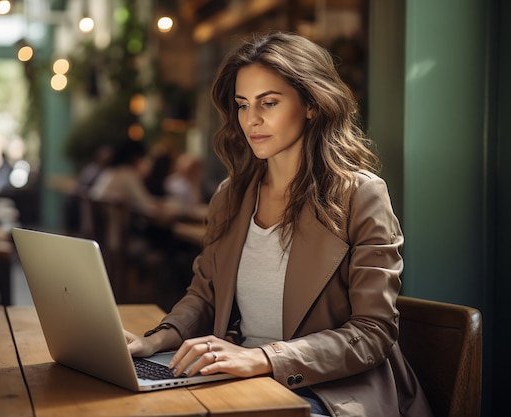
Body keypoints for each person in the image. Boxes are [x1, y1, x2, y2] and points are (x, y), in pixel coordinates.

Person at [123, 32, 433, 417]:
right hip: (243, 381)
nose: (251, 120)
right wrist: (153, 342)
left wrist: (263, 358)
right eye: (242, 105)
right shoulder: (230, 195)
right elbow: (203, 297)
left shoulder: (361, 195)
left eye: (268, 103)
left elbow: (373, 334)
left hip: (335, 392)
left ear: (311, 106)